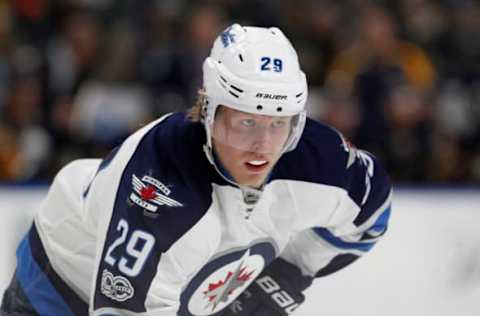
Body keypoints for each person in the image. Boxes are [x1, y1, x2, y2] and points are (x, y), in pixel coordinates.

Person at [1, 24, 392, 316]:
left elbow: (371, 211)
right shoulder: (159, 194)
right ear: (208, 111)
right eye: (245, 123)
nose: (262, 147)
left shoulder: (317, 160)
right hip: (62, 287)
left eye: (279, 124)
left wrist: (289, 273)